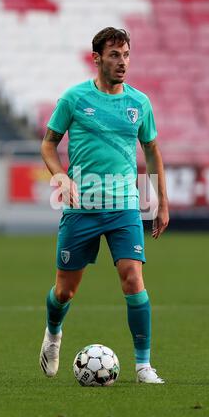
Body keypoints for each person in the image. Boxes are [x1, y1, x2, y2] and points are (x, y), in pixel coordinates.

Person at [39, 27, 169, 384]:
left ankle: (143, 365)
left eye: (126, 55)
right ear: (96, 58)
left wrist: (161, 201)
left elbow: (152, 150)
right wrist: (61, 176)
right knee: (65, 290)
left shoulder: (139, 103)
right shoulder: (74, 99)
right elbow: (48, 144)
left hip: (124, 207)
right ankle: (53, 334)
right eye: (114, 55)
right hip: (81, 208)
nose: (122, 62)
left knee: (132, 278)